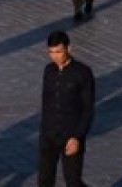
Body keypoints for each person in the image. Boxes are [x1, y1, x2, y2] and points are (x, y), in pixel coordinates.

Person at [39, 31, 96, 187]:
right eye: (51, 52)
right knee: (44, 181)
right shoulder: (48, 71)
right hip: (48, 136)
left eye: (58, 52)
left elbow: (87, 109)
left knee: (73, 181)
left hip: (71, 136)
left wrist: (77, 137)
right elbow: (46, 103)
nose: (54, 56)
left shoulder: (83, 73)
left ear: (69, 49)